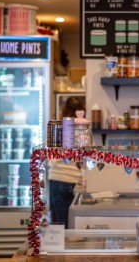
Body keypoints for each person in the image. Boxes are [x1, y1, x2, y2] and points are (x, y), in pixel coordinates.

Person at [48, 97, 85, 228]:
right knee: (74, 223)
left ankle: (58, 248)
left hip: (56, 178)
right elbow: (88, 156)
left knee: (59, 224)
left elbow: (50, 157)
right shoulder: (83, 129)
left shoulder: (56, 128)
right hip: (75, 180)